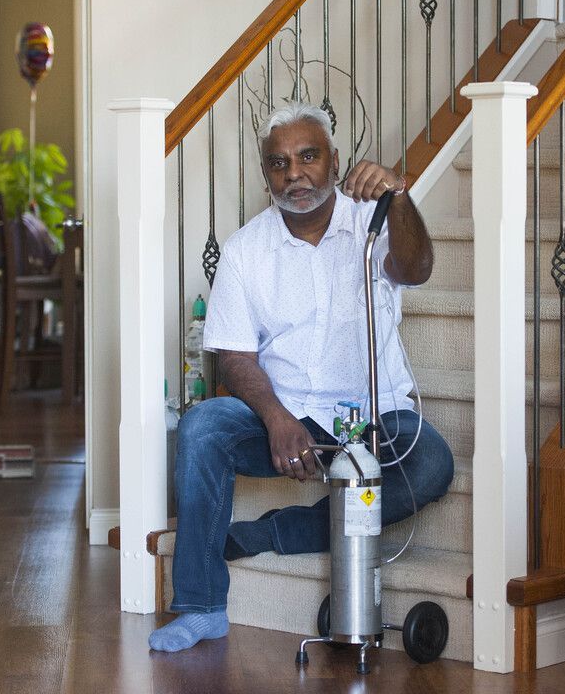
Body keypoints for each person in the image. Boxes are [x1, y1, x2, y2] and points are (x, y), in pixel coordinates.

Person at [148, 101, 454, 652]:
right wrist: (275, 418)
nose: (294, 174)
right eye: (278, 163)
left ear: (334, 161)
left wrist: (398, 196)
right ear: (266, 173)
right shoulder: (245, 251)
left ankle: (269, 534)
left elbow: (416, 268)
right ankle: (201, 606)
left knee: (430, 462)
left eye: (308, 156)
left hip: (373, 419)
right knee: (202, 429)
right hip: (287, 418)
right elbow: (235, 357)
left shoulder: (375, 221)